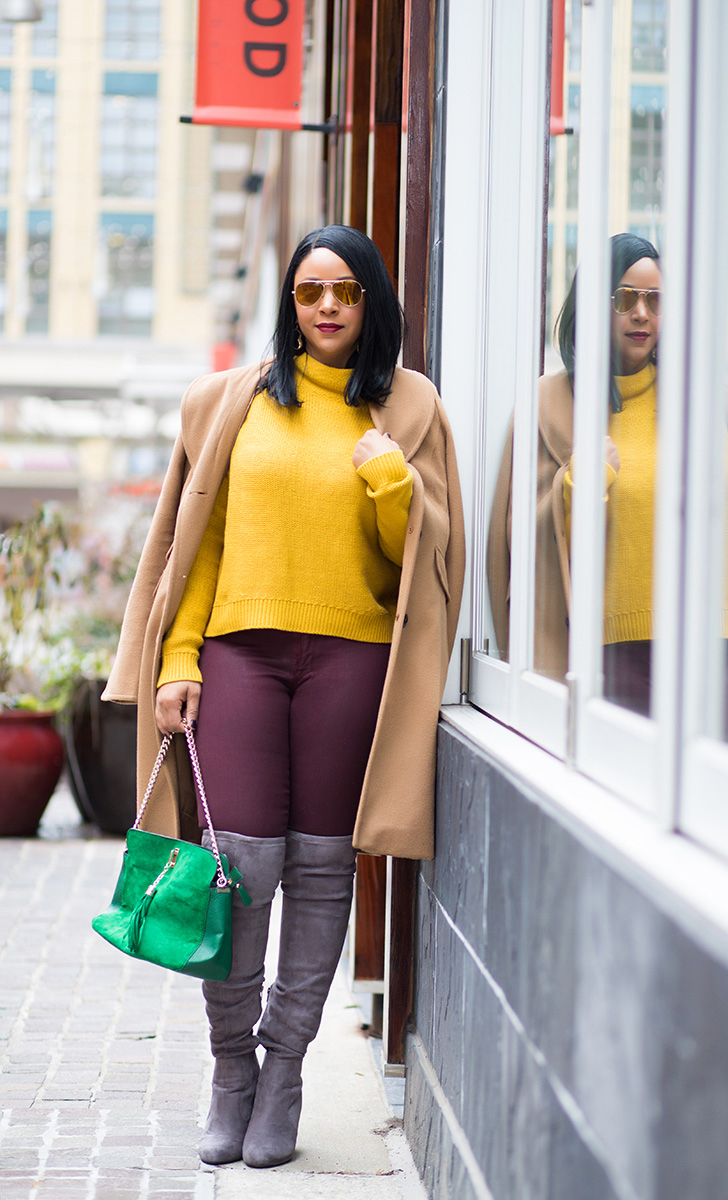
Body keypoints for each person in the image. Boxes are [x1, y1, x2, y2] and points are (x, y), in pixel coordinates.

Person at [102, 224, 465, 1169]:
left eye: (345, 291)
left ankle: (286, 1067)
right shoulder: (237, 401)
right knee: (237, 865)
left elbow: (417, 563)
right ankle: (231, 1068)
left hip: (349, 657)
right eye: (311, 292)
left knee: (317, 866)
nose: (329, 307)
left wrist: (391, 480)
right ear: (292, 303)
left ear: (372, 301)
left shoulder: (408, 409)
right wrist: (177, 658)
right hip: (239, 657)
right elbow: (199, 543)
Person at [488, 231, 728, 753]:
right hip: (613, 663)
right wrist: (579, 487)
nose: (641, 314)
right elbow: (521, 547)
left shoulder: (721, 409)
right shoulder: (550, 409)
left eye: (655, 301)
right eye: (624, 299)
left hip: (727, 661)